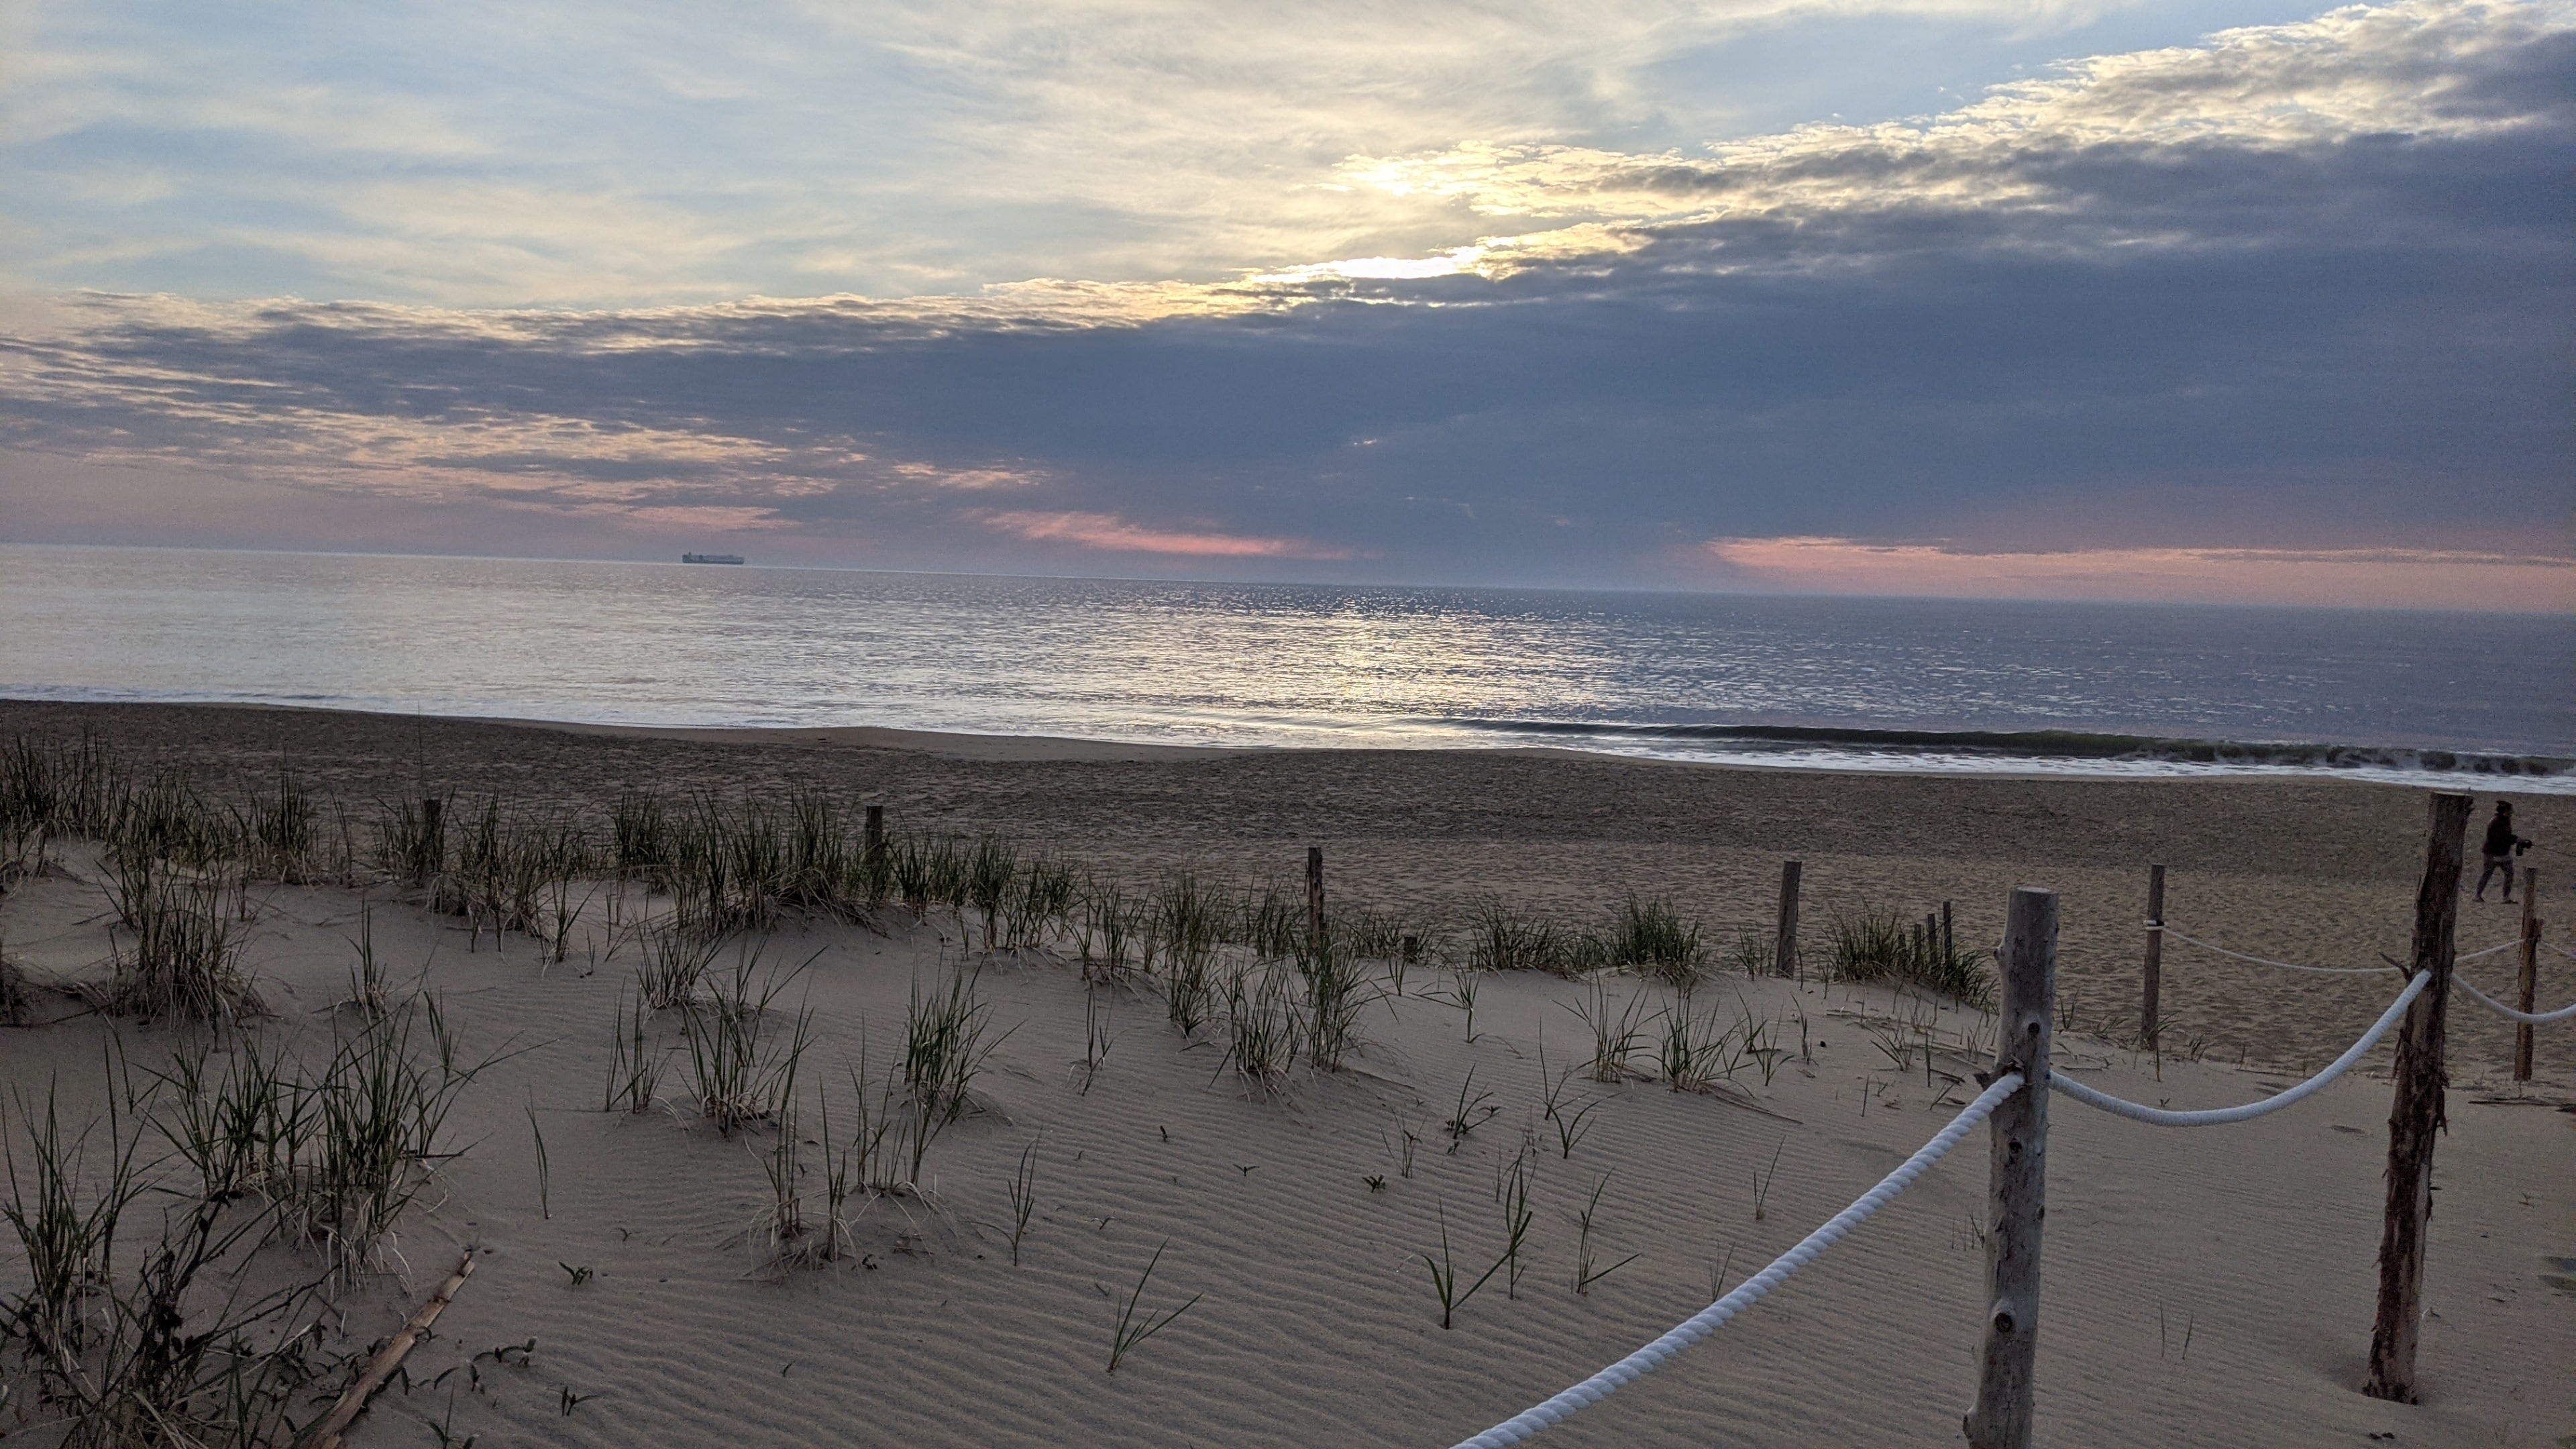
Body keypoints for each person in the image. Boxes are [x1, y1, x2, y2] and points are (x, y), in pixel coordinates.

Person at [2473, 800, 2530, 903]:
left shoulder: (2505, 821)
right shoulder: (2496, 822)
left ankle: (2506, 897)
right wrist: (2515, 840)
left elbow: (2506, 837)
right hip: (2492, 853)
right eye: (2510, 811)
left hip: (2503, 854)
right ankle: (2478, 895)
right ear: (2505, 811)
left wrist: (2518, 841)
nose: (2512, 813)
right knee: (2487, 874)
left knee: (2509, 874)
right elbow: (2500, 839)